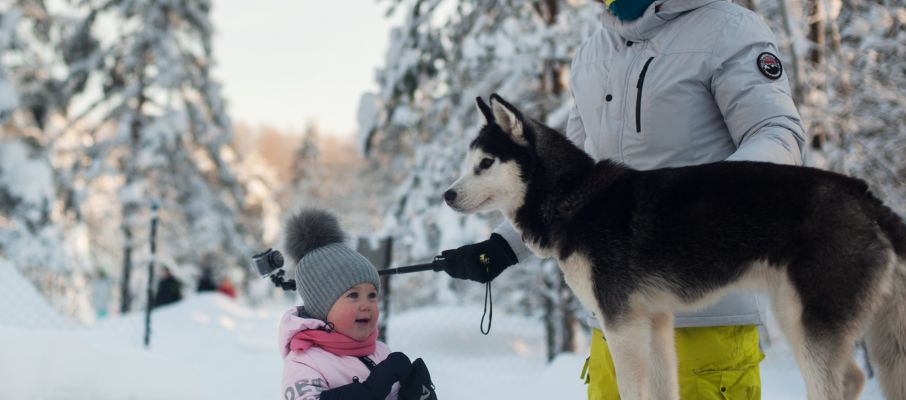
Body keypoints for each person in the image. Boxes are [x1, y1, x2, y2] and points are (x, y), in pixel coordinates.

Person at [438, 0, 807, 399]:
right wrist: (505, 246)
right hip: (613, 325)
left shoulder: (727, 28)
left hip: (703, 320)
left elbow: (778, 133)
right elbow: (560, 181)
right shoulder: (593, 52)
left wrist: (702, 207)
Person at [279, 209, 437, 400]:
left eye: (372, 295)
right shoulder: (305, 361)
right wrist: (371, 390)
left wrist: (417, 395)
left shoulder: (380, 351)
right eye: (353, 295)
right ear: (322, 307)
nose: (366, 305)